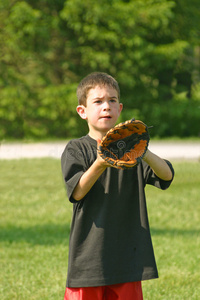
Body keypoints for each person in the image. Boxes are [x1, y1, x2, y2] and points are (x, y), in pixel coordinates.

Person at [61, 72, 174, 300]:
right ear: (82, 111)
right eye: (98, 101)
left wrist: (144, 151)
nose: (106, 107)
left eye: (112, 101)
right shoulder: (76, 149)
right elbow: (78, 191)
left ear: (120, 109)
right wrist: (101, 162)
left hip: (127, 257)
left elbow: (167, 176)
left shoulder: (132, 150)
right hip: (89, 258)